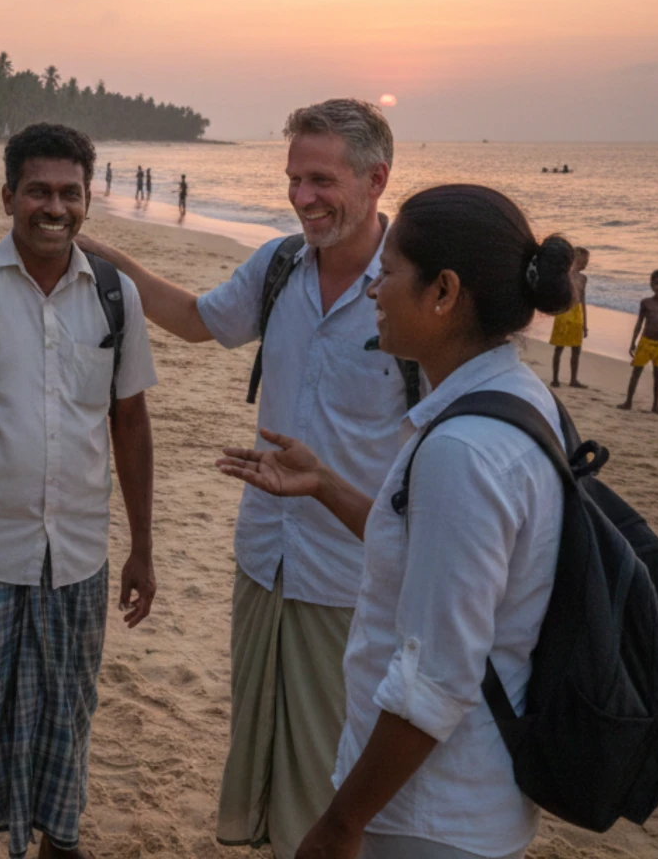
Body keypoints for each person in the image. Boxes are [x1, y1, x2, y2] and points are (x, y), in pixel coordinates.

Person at [78, 98, 412, 856]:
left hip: (353, 576)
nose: (301, 197)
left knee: (332, 766)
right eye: (294, 178)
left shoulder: (409, 290)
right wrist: (104, 257)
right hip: (264, 555)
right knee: (260, 744)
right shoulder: (279, 265)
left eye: (321, 180)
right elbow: (198, 320)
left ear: (376, 180)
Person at [217, 184, 573, 859]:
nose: (374, 289)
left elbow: (437, 681)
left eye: (389, 272)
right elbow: (425, 552)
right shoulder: (516, 398)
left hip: (431, 814)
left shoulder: (463, 452)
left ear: (443, 292)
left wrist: (339, 823)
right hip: (461, 801)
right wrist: (324, 485)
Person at [0, 123, 159, 859]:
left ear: (88, 200)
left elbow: (131, 421)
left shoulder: (115, 294)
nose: (55, 207)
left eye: (70, 193)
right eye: (38, 191)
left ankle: (57, 841)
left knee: (67, 712)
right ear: (8, 196)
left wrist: (142, 548)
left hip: (78, 554)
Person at [618, 269, 658, 415]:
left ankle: (655, 405)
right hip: (646, 341)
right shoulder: (646, 303)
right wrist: (633, 341)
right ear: (651, 285)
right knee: (636, 372)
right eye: (656, 284)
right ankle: (628, 401)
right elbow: (639, 323)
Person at [549, 246, 590, 388]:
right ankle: (555, 379)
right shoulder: (565, 275)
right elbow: (557, 294)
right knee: (559, 347)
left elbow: (582, 300)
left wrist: (585, 324)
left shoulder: (583, 278)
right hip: (564, 312)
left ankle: (573, 379)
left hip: (577, 313)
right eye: (585, 260)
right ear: (577, 258)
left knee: (576, 348)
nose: (586, 263)